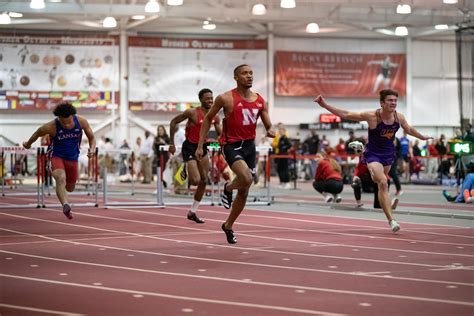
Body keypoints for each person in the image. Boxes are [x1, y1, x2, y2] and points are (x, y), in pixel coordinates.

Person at [314, 89, 431, 233]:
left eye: (395, 100)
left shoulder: (399, 117)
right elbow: (346, 114)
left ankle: (385, 203)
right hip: (373, 154)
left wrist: (422, 137)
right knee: (382, 182)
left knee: (383, 185)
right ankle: (391, 220)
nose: (393, 103)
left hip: (388, 154)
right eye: (390, 100)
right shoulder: (371, 116)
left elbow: (409, 129)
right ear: (382, 103)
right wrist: (325, 105)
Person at [195, 64, 275, 244]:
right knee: (246, 179)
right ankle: (228, 188)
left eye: (251, 73)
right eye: (245, 73)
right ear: (236, 77)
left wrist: (271, 129)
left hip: (249, 146)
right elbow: (208, 118)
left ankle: (228, 225)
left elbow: (268, 123)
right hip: (231, 145)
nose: (249, 76)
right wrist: (200, 145)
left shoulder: (260, 100)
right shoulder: (225, 98)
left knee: (245, 191)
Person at [22, 102, 96, 219]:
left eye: (69, 122)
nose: (67, 125)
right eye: (64, 122)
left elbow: (91, 137)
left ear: (73, 116)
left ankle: (65, 196)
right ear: (58, 118)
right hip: (56, 155)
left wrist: (92, 149)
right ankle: (65, 205)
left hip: (72, 157)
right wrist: (28, 144)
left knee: (70, 188)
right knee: (60, 178)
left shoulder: (81, 122)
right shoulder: (51, 126)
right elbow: (37, 133)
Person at [169, 88, 222, 223]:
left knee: (204, 180)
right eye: (207, 98)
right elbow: (173, 122)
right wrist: (171, 143)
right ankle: (185, 169)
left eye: (212, 98)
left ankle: (193, 211)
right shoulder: (192, 112)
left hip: (203, 147)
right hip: (190, 147)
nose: (210, 101)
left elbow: (220, 133)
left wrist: (222, 141)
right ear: (201, 100)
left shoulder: (215, 116)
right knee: (195, 181)